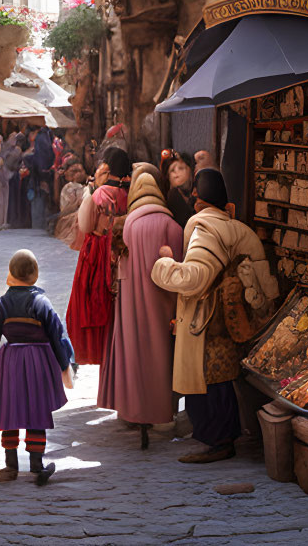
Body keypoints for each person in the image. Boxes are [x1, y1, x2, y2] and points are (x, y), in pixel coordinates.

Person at [152, 168, 277, 464]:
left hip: (208, 322)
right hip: (234, 320)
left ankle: (220, 442)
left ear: (197, 199)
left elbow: (195, 277)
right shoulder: (238, 228)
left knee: (206, 380)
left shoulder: (206, 228)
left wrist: (164, 264)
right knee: (220, 378)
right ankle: (224, 437)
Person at [97, 165, 182, 449]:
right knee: (162, 356)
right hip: (164, 304)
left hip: (131, 303)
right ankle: (162, 416)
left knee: (134, 355)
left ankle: (132, 411)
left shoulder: (127, 224)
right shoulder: (171, 226)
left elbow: (118, 269)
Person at [0, 249, 74, 486]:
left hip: (9, 362)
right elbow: (58, 335)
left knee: (10, 413)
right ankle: (37, 466)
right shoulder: (41, 302)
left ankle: (10, 467)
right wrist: (65, 364)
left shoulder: (1, 305)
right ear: (35, 275)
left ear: (10, 273)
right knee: (36, 412)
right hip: (38, 362)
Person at [66, 149, 131, 366]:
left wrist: (90, 192)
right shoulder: (130, 194)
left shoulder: (100, 194)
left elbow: (85, 225)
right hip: (121, 251)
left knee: (86, 302)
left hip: (97, 248)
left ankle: (90, 350)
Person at [52, 162, 87, 248]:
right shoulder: (69, 187)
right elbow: (69, 208)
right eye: (74, 171)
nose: (78, 174)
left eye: (80, 171)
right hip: (68, 221)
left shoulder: (84, 186)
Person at [163, 151, 196, 228]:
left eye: (181, 168)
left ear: (190, 170)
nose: (176, 173)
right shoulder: (172, 197)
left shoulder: (198, 191)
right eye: (172, 171)